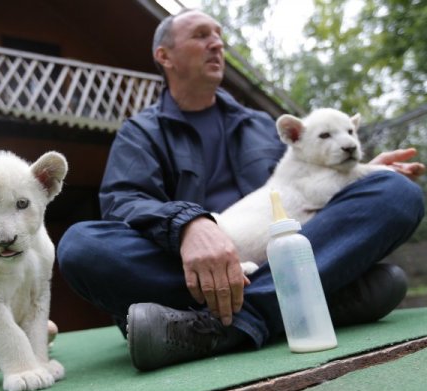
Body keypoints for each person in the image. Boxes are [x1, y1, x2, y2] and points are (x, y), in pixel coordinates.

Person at [57, 9, 425, 371]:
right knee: (80, 245)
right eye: (201, 35)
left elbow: (305, 190)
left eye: (218, 35)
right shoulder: (140, 132)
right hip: (186, 271)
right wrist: (189, 226)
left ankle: (210, 326)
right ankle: (289, 306)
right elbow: (124, 204)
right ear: (164, 56)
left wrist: (360, 175)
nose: (217, 44)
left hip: (286, 254)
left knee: (398, 194)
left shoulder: (262, 125)